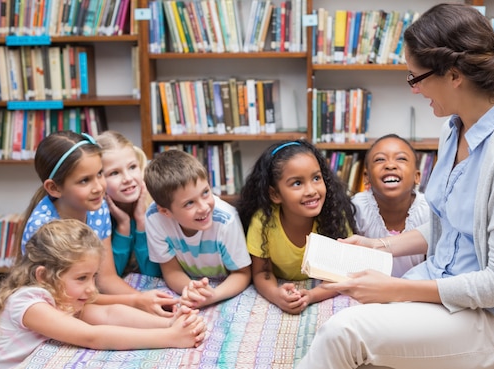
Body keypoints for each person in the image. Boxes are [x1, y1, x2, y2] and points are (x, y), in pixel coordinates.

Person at [297, 4, 494, 369]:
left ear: (454, 75)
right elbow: (451, 225)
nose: (414, 90)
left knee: (343, 333)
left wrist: (397, 289)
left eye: (416, 78)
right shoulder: (453, 128)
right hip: (442, 285)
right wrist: (381, 245)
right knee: (349, 321)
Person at [0, 219, 206, 369]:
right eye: (81, 278)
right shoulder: (28, 303)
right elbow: (92, 336)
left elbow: (109, 315)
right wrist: (171, 339)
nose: (92, 288)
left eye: (93, 277)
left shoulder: (63, 296)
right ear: (43, 276)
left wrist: (168, 323)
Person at [16, 131, 176, 316]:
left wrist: (147, 301)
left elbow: (105, 278)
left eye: (100, 173)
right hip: (55, 308)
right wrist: (135, 300)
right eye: (85, 180)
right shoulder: (44, 230)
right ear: (54, 188)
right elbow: (66, 299)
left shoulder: (96, 208)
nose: (99, 187)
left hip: (84, 299)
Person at [236, 139, 356, 315]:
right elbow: (262, 272)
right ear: (275, 194)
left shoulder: (335, 216)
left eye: (316, 178)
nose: (311, 190)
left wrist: (311, 295)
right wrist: (277, 295)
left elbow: (342, 273)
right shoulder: (263, 222)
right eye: (297, 183)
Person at [144, 149, 251, 309]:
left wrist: (212, 295)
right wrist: (192, 290)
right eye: (189, 203)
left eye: (206, 192)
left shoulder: (226, 220)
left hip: (224, 284)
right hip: (191, 282)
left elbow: (242, 273)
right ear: (165, 211)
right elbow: (171, 271)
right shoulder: (154, 218)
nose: (204, 207)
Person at [352, 134, 429, 277]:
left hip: (416, 291)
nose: (390, 165)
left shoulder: (428, 210)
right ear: (366, 177)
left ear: (417, 177)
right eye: (380, 159)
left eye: (401, 158)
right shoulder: (357, 209)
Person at [96, 130, 161, 277]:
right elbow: (110, 277)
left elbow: (153, 274)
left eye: (132, 167)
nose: (127, 178)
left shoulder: (156, 205)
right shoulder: (97, 214)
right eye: (114, 173)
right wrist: (123, 226)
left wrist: (141, 221)